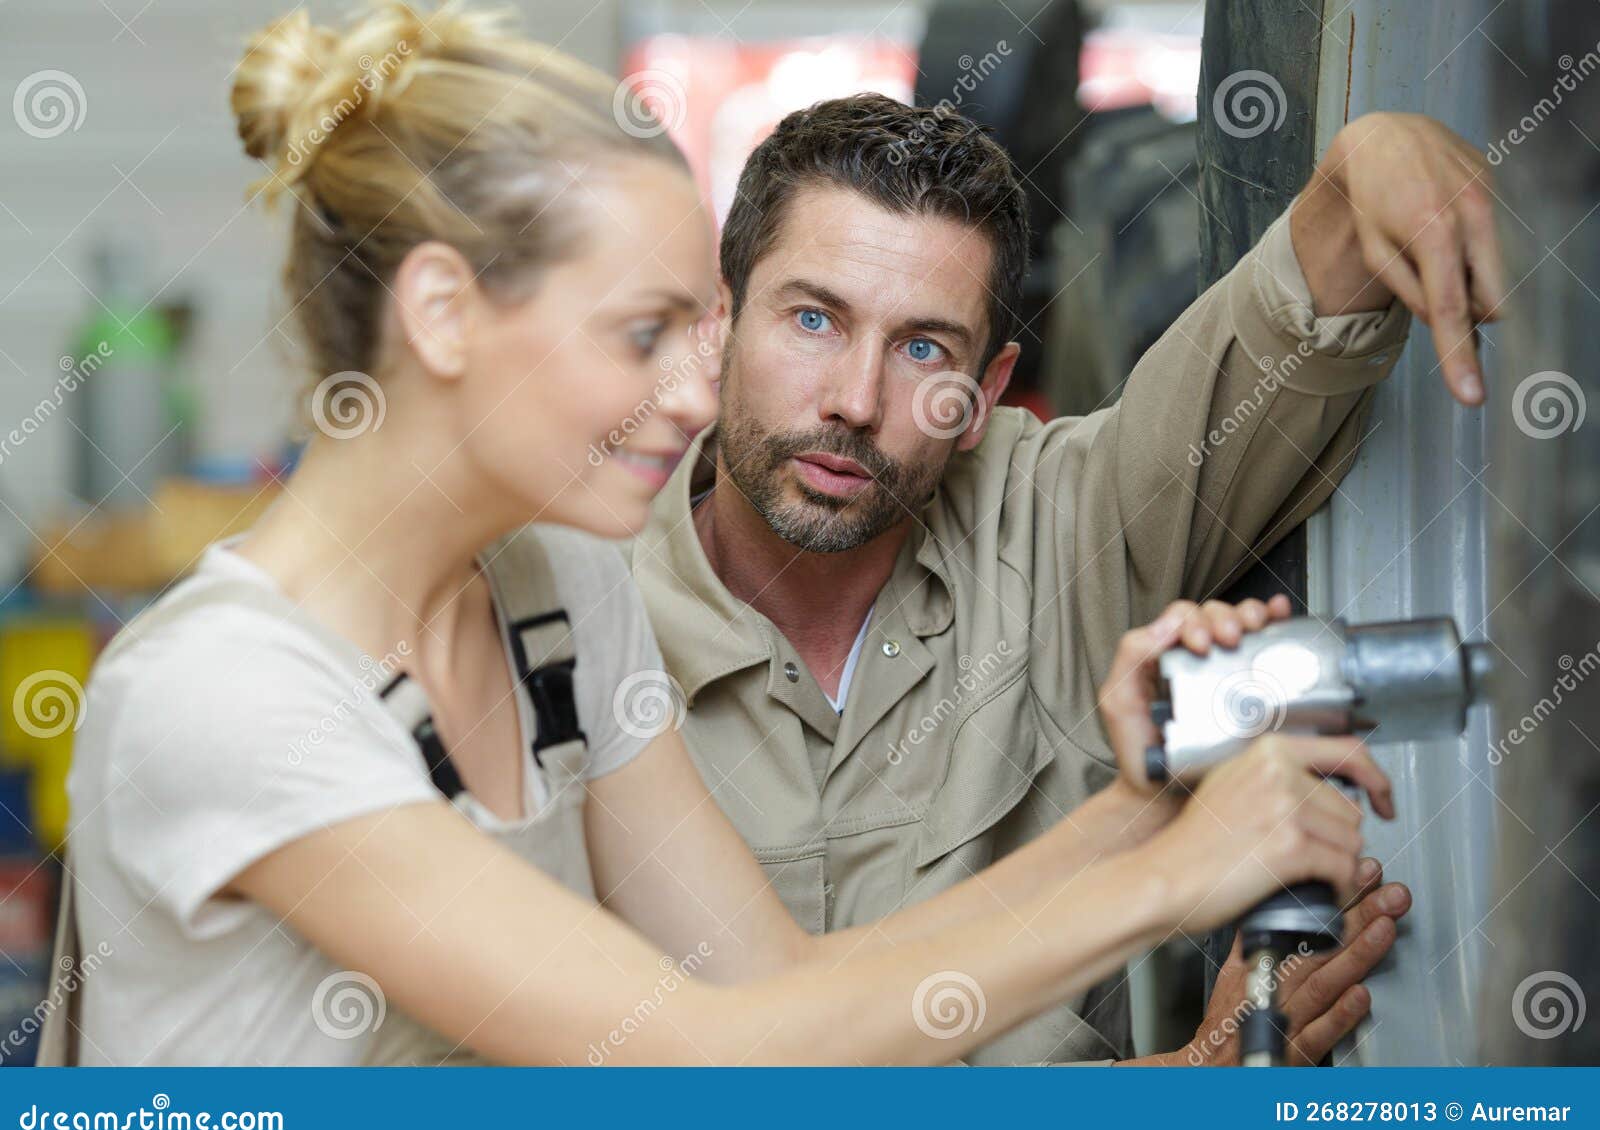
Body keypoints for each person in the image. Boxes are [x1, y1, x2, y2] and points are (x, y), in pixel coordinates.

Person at [38, 1, 1387, 1067]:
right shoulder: (222, 697)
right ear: (443, 314)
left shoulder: (556, 591)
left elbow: (780, 993)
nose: (693, 396)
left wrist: (1131, 813)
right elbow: (707, 1053)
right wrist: (1164, 875)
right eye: (644, 334)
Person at [625, 94, 1501, 1063]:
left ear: (984, 390)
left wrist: (1369, 156)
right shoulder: (575, 648)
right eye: (813, 318)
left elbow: (1291, 321)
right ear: (720, 322)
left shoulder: (1055, 521)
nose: (855, 401)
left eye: (923, 348)